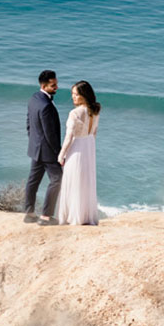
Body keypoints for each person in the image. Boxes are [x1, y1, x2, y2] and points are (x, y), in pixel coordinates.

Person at [54, 80, 102, 226]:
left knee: (74, 180)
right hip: (89, 146)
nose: (73, 97)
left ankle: (73, 217)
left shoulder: (74, 113)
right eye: (72, 94)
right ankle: (85, 216)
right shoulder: (95, 110)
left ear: (84, 95)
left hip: (77, 147)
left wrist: (61, 154)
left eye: (76, 94)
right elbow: (94, 132)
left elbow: (69, 137)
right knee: (86, 181)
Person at [24, 70, 62, 223]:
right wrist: (59, 153)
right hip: (48, 152)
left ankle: (29, 213)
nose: (57, 87)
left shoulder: (34, 98)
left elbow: (28, 124)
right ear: (44, 86)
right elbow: (50, 134)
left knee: (33, 180)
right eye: (53, 85)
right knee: (58, 180)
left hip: (35, 148)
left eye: (56, 84)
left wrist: (34, 142)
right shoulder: (46, 106)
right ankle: (46, 216)